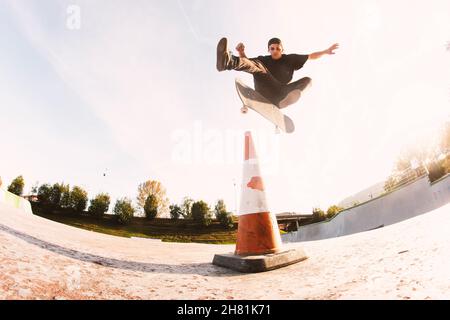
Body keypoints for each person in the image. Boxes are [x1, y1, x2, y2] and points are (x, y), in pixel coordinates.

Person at [216, 37, 339, 107]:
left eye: (278, 48)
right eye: (272, 48)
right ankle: (227, 62)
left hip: (281, 94)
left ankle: (283, 103)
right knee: (258, 66)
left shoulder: (291, 59)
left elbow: (311, 56)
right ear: (269, 49)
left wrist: (325, 51)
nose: (275, 51)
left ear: (282, 49)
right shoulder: (263, 60)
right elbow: (248, 64)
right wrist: (241, 53)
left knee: (308, 80)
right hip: (264, 90)